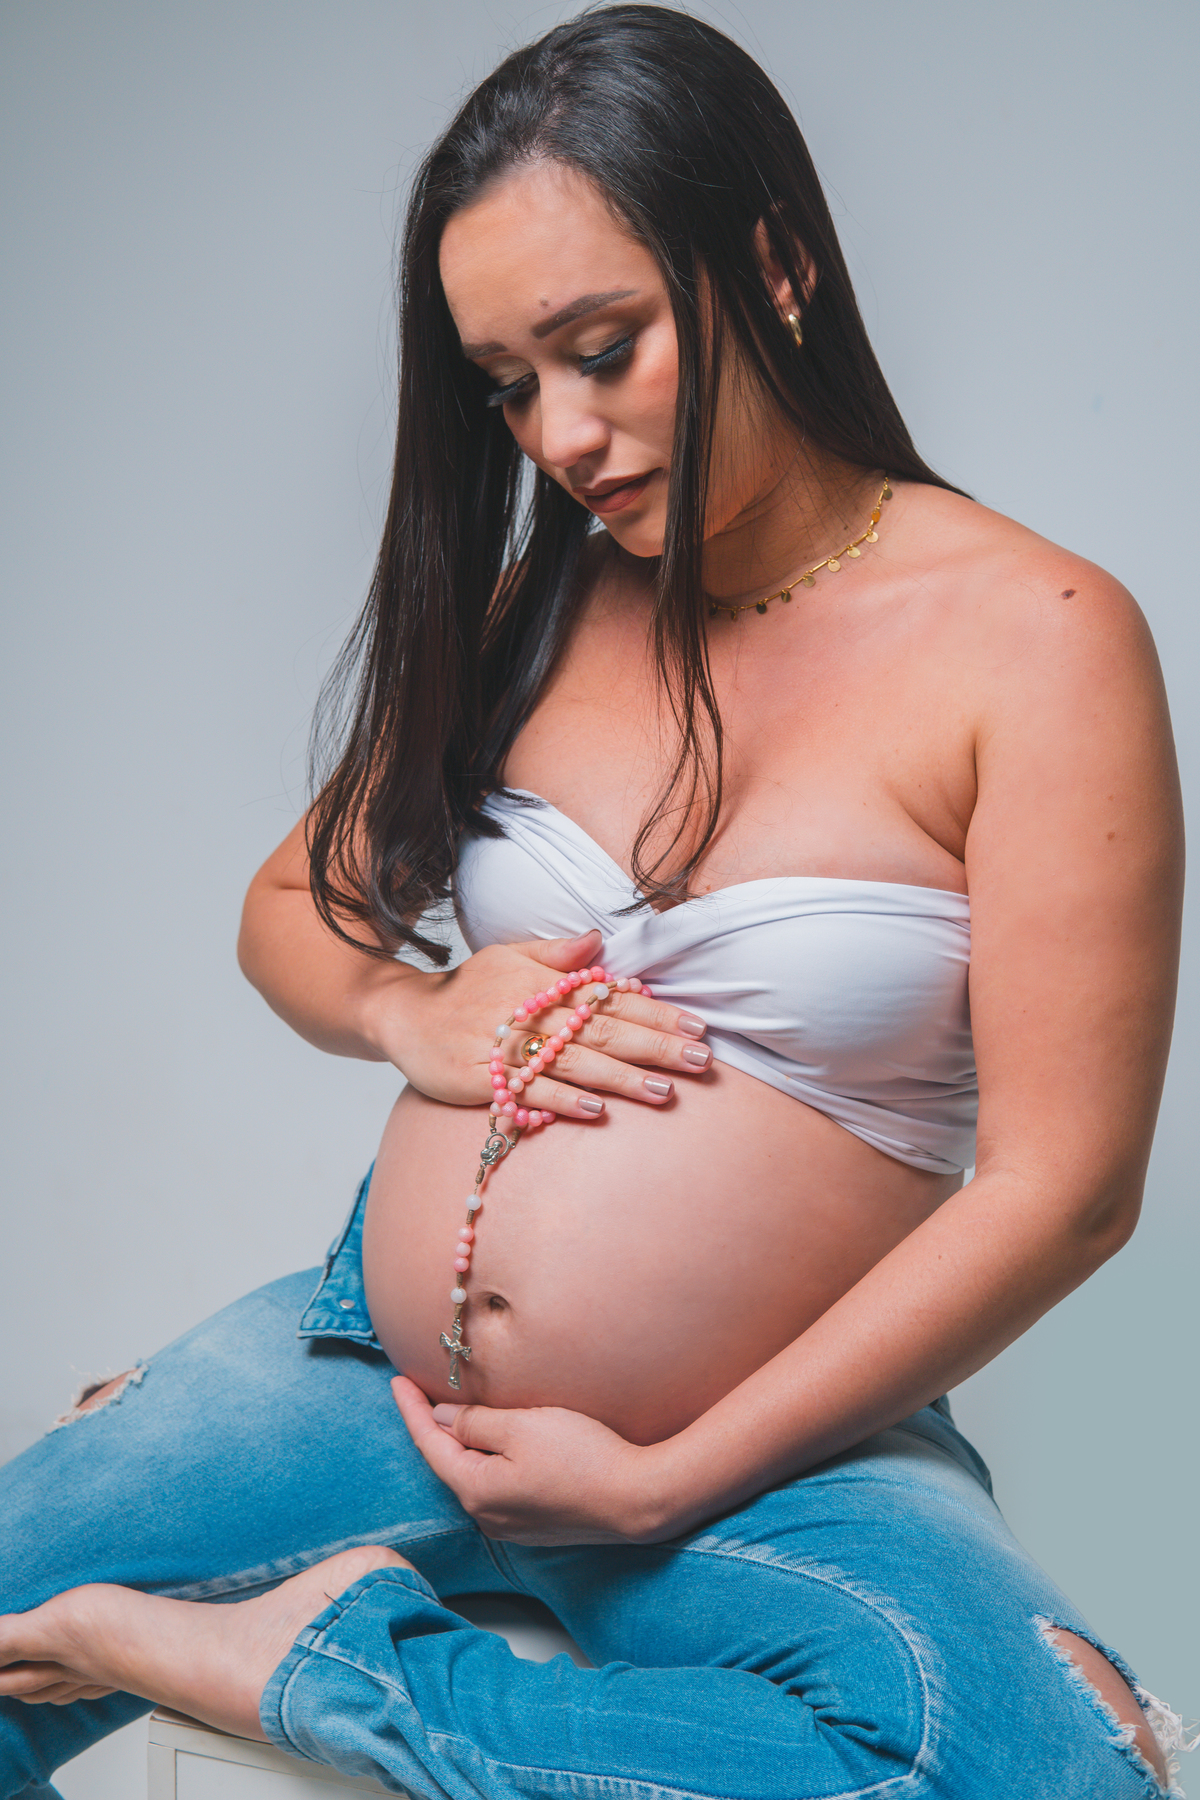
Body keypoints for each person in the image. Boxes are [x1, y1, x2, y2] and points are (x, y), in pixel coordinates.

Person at [0, 7, 1189, 1796]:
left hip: (775, 1455)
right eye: (507, 384)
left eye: (604, 349)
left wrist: (660, 1479)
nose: (558, 434)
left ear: (773, 267)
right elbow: (289, 905)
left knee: (1047, 1770)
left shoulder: (1041, 643)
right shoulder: (543, 605)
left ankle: (320, 1662)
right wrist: (408, 1009)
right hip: (375, 1383)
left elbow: (1066, 1191)